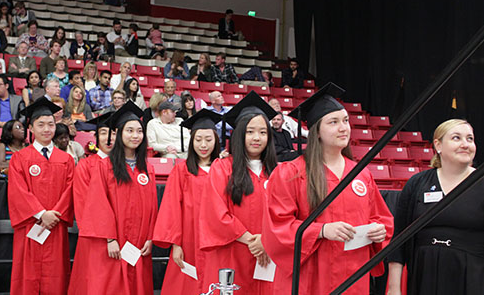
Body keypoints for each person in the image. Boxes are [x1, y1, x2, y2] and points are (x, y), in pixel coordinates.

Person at [261, 83, 393, 294]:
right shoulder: (290, 173)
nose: (344, 128)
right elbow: (277, 227)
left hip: (353, 277)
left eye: (346, 121)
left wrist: (378, 231)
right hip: (309, 279)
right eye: (334, 122)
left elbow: (381, 218)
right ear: (317, 132)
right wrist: (321, 230)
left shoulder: (361, 174)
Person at [69, 101, 157, 294]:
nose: (135, 136)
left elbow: (153, 206)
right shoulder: (104, 166)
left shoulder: (147, 169)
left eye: (139, 131)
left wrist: (150, 237)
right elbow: (98, 203)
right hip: (115, 241)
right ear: (119, 134)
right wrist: (110, 239)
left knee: (137, 284)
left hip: (140, 241)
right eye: (129, 130)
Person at [388, 119, 483, 295]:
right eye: (456, 138)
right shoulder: (417, 183)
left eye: (470, 139)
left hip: (471, 278)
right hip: (424, 276)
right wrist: (394, 288)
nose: (465, 144)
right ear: (438, 145)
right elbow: (399, 239)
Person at [199, 91, 278, 295]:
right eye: (250, 131)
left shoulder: (278, 172)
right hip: (232, 251)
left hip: (269, 254)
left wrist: (266, 241)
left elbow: (286, 214)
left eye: (262, 132)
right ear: (239, 134)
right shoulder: (222, 168)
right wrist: (253, 241)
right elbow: (216, 213)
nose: (256, 138)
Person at [8, 98, 74, 294]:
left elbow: (71, 190)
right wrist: (40, 214)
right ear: (31, 127)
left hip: (56, 225)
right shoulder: (20, 158)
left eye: (51, 124)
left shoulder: (67, 160)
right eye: (41, 124)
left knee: (55, 275)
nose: (47, 129)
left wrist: (54, 214)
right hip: (31, 225)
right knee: (28, 274)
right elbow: (18, 191)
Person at [153, 109, 222, 294]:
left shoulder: (224, 169)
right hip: (189, 238)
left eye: (208, 139)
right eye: (198, 139)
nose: (203, 145)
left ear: (216, 141)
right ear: (191, 142)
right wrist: (176, 245)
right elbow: (172, 208)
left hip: (218, 239)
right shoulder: (182, 170)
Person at [67, 112, 116, 294]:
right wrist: (107, 233)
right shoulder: (86, 166)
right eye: (103, 133)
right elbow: (83, 202)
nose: (108, 138)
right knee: (94, 282)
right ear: (95, 138)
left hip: (122, 236)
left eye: (113, 133)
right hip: (95, 236)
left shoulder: (126, 165)